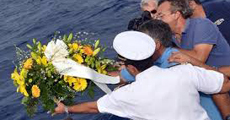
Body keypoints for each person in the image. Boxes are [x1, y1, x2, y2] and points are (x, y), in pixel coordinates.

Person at [54, 29, 230, 120]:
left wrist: (66, 108)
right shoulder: (184, 72)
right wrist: (194, 62)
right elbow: (225, 84)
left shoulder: (126, 95)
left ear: (131, 68)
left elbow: (92, 107)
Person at [156, 0, 230, 120]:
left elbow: (199, 57)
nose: (157, 19)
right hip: (208, 76)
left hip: (224, 74)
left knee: (217, 91)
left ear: (176, 14)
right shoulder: (171, 36)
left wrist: (165, 50)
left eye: (161, 15)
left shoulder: (201, 25)